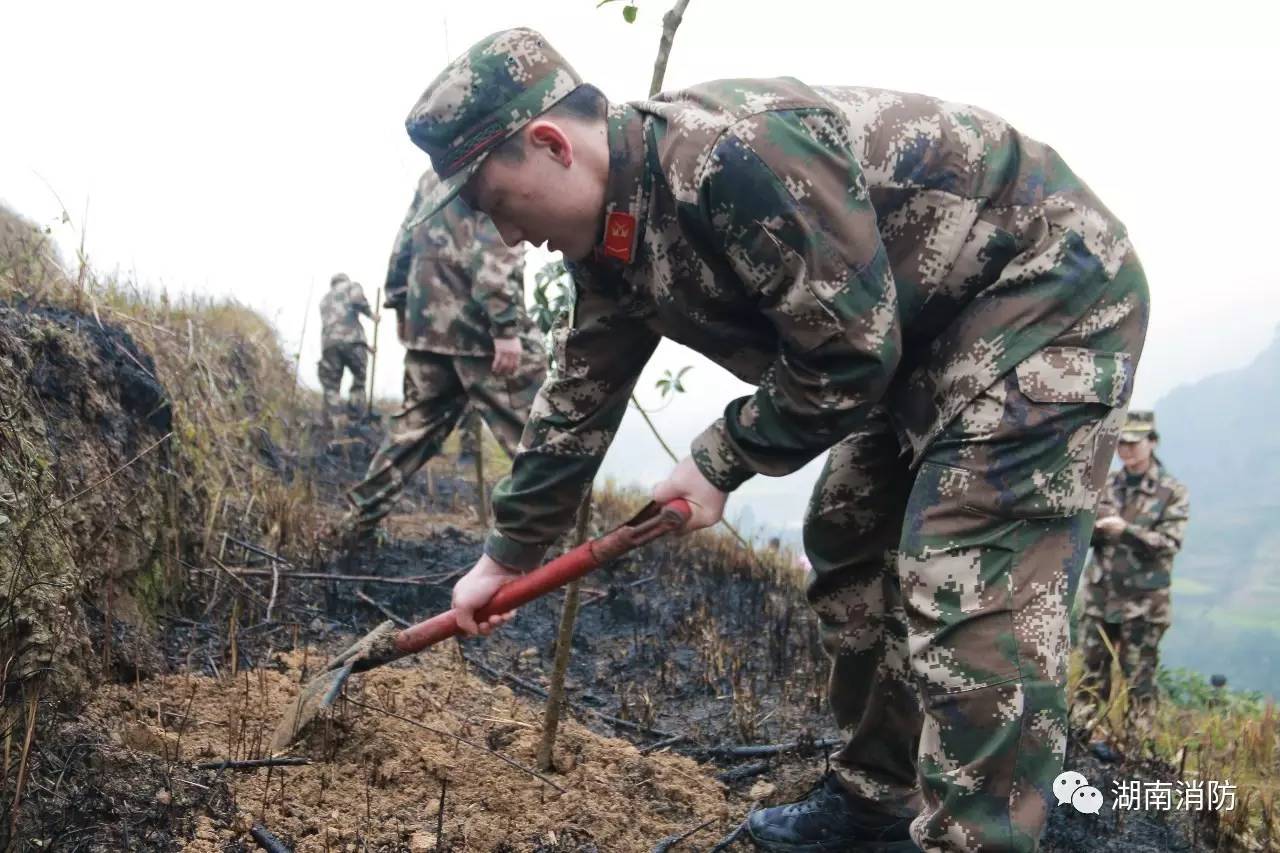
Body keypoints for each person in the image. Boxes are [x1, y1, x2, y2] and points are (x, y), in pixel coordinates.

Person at [406, 28, 1149, 852]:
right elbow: (579, 396)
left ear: (551, 145)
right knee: (848, 531)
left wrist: (720, 458)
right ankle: (878, 798)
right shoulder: (613, 239)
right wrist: (504, 558)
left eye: (497, 204)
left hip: (1045, 292)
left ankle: (983, 836)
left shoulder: (733, 157)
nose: (509, 238)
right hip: (918, 339)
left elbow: (850, 355)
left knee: (967, 569)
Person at [343, 169, 546, 538]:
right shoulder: (498, 159)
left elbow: (405, 238)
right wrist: (505, 327)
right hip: (480, 330)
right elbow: (497, 246)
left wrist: (400, 301)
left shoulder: (432, 174)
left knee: (412, 433)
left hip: (427, 323)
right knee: (540, 433)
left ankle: (355, 522)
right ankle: (560, 543)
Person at [1075, 410, 1190, 747]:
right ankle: (1079, 741)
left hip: (1144, 605)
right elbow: (1081, 534)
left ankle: (1138, 753)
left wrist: (1126, 531)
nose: (1126, 449)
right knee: (1091, 675)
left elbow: (1169, 543)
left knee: (1139, 680)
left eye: (1134, 442)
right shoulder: (1105, 484)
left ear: (1152, 442)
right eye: (1121, 443)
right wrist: (1094, 530)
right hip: (1100, 597)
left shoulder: (1171, 492)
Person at [317, 272, 373, 425]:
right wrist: (371, 315)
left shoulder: (324, 300)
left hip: (329, 346)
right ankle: (355, 421)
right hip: (354, 342)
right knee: (359, 380)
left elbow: (337, 325)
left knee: (331, 386)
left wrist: (366, 347)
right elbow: (357, 301)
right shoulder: (351, 286)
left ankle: (335, 422)